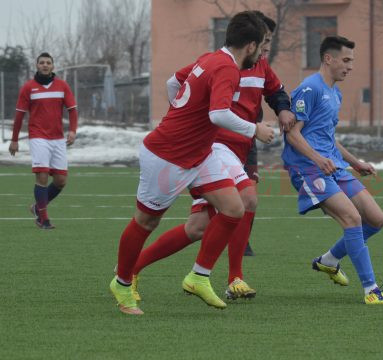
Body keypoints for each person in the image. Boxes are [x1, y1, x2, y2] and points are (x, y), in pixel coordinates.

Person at [109, 11, 275, 315]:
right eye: (261, 46)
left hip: (200, 152)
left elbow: (174, 83)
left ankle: (198, 276)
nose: (263, 54)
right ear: (250, 45)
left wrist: (185, 118)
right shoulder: (227, 68)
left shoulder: (209, 58)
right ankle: (121, 281)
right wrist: (255, 130)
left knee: (234, 207)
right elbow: (218, 115)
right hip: (167, 155)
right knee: (146, 222)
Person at [282, 36, 383, 305]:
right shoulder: (309, 89)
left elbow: (328, 136)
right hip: (308, 169)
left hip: (334, 166)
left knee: (376, 219)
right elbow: (293, 136)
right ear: (328, 59)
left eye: (352, 61)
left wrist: (355, 162)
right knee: (352, 220)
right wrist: (318, 159)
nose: (350, 66)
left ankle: (329, 260)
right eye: (346, 60)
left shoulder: (335, 92)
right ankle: (371, 290)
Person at [8, 52, 78, 230]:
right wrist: (14, 140)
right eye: (42, 62)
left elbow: (72, 109)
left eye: (48, 62)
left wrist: (72, 130)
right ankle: (43, 219)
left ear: (53, 66)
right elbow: (19, 116)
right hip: (38, 137)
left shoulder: (62, 86)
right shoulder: (28, 87)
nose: (45, 65)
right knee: (42, 175)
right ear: (37, 65)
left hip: (58, 138)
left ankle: (36, 208)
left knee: (61, 181)